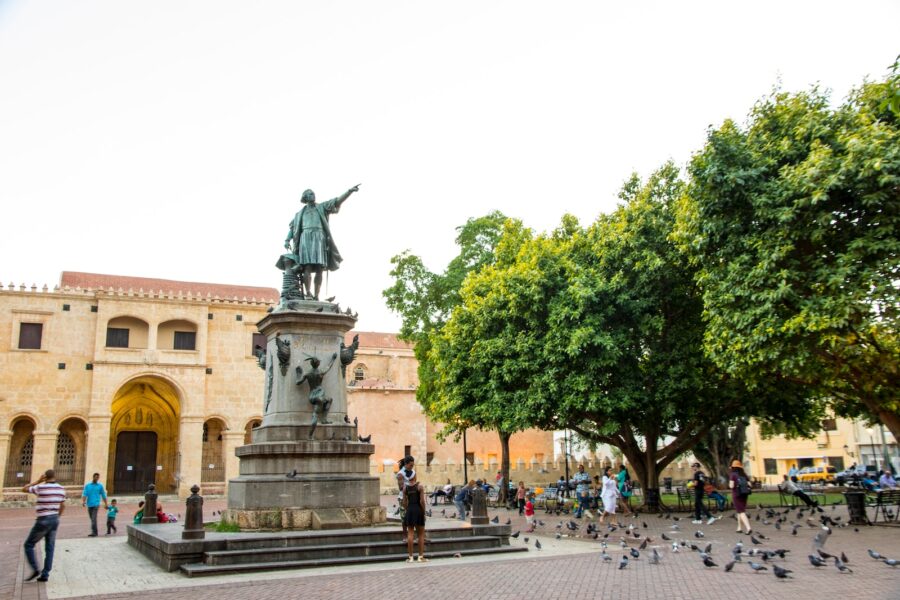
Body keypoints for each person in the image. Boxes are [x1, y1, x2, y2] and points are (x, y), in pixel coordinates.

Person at [284, 185, 360, 300]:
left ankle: (316, 295)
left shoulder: (322, 207)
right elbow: (292, 228)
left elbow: (337, 201)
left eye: (313, 193)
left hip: (319, 238)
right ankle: (308, 293)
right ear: (305, 198)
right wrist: (287, 240)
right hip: (306, 239)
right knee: (307, 267)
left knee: (320, 268)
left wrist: (349, 192)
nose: (313, 195)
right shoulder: (299, 214)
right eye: (310, 194)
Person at [22, 469, 66, 583]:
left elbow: (24, 489)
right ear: (55, 476)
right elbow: (63, 505)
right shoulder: (61, 488)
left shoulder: (41, 487)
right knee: (50, 547)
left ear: (45, 477)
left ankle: (35, 568)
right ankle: (45, 574)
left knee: (29, 544)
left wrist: (37, 481)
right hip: (54, 519)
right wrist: (57, 517)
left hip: (43, 520)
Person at [402, 474, 428, 562]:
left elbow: (404, 502)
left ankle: (410, 557)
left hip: (409, 510)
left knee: (410, 533)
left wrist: (407, 510)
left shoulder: (405, 488)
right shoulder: (419, 487)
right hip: (418, 510)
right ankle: (420, 557)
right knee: (420, 534)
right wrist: (423, 512)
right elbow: (422, 501)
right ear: (415, 477)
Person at [729, 460, 752, 534]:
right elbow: (750, 485)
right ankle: (739, 528)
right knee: (739, 511)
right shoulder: (744, 474)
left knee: (741, 511)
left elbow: (731, 486)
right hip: (744, 494)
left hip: (736, 494)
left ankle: (748, 528)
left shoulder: (733, 474)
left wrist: (732, 485)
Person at [81, 472, 107, 537]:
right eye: (96, 477)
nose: (97, 478)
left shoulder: (100, 486)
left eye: (98, 477)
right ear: (93, 477)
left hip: (96, 504)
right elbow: (84, 494)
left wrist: (106, 503)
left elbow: (103, 495)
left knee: (93, 518)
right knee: (92, 518)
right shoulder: (88, 485)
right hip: (89, 504)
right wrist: (83, 502)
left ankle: (94, 532)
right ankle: (94, 531)